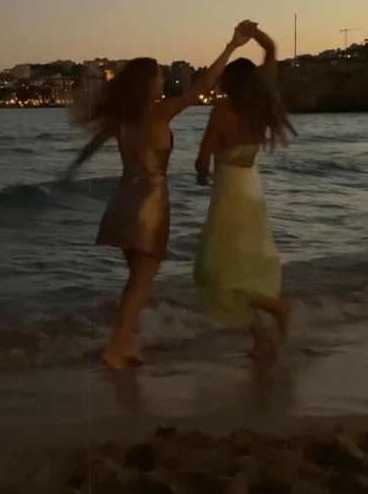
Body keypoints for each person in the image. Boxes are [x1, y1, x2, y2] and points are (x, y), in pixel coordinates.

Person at [64, 25, 252, 370]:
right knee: (142, 282)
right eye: (159, 76)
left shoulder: (122, 117)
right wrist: (230, 47)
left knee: (135, 279)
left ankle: (127, 344)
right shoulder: (159, 111)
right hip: (148, 204)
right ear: (148, 83)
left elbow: (91, 146)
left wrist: (71, 170)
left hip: (121, 202)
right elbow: (202, 88)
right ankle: (115, 350)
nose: (163, 80)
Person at [194, 22, 295, 359]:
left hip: (229, 197)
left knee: (217, 270)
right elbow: (272, 52)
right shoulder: (259, 107)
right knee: (241, 266)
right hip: (251, 188)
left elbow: (203, 156)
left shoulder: (223, 110)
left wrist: (200, 176)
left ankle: (276, 307)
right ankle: (261, 339)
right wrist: (256, 34)